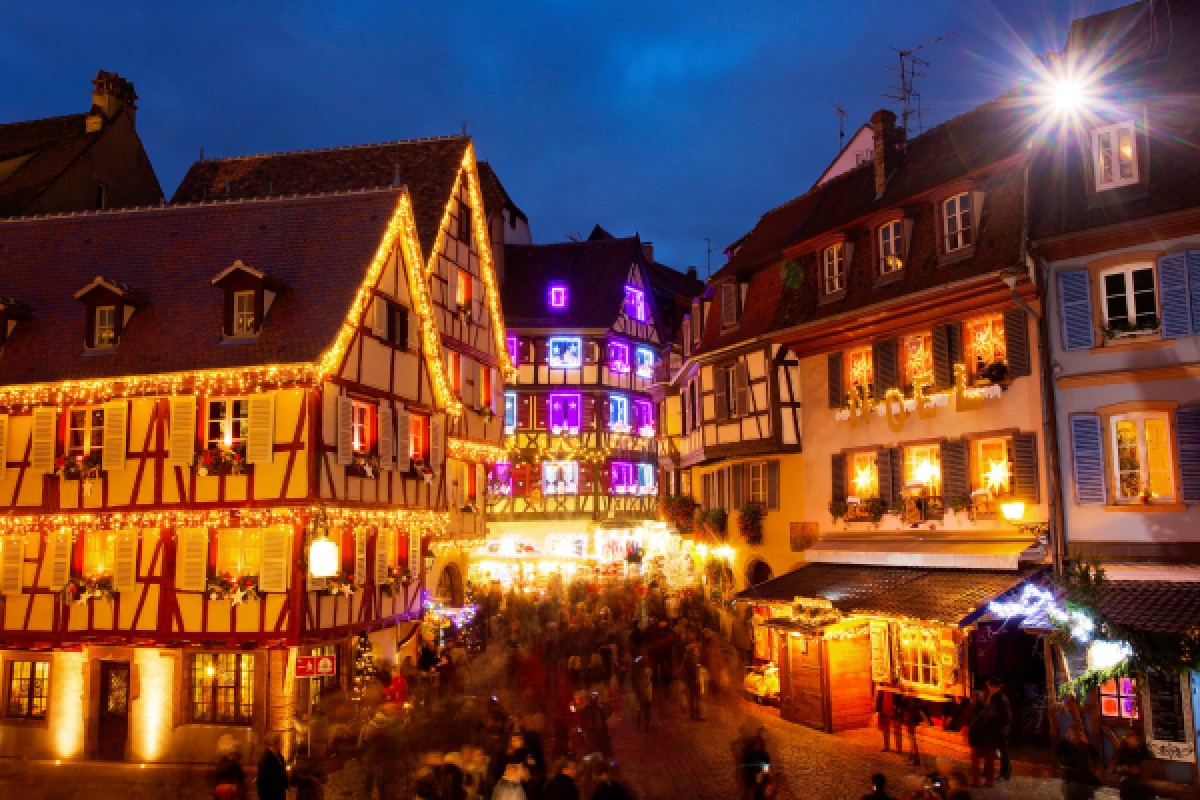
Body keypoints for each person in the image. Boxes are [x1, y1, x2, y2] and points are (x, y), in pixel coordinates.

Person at [1056, 723, 1100, 800]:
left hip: (1080, 780)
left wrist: (1086, 744)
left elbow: (1095, 756)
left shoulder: (1084, 746)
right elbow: (1058, 752)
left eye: (1077, 734)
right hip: (1075, 779)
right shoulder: (1066, 745)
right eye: (1073, 734)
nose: (1075, 737)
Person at [965, 690, 996, 788]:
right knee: (989, 763)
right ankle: (989, 782)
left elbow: (969, 725)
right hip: (989, 740)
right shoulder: (990, 712)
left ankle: (976, 782)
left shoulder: (972, 712)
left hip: (977, 740)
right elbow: (995, 726)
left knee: (975, 763)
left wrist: (969, 739)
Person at [985, 676, 1013, 781]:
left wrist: (1000, 725)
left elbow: (1006, 717)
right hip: (995, 729)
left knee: (1003, 752)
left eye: (990, 686)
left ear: (995, 687)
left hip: (1001, 729)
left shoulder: (1001, 699)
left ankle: (1005, 773)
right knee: (999, 751)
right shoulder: (993, 697)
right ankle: (1003, 771)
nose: (988, 687)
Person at [1113, 730, 1153, 800]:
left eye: (1131, 737)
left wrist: (1140, 769)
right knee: (1127, 787)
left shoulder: (1144, 750)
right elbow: (1117, 769)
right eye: (1127, 737)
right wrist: (1124, 768)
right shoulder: (1123, 750)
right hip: (1128, 783)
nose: (1128, 740)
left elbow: (1152, 767)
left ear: (1137, 739)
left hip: (1142, 784)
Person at [257, 733, 289, 800]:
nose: (282, 744)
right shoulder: (266, 759)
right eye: (280, 742)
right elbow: (262, 780)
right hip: (271, 794)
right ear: (274, 743)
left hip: (279, 792)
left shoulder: (279, 756)